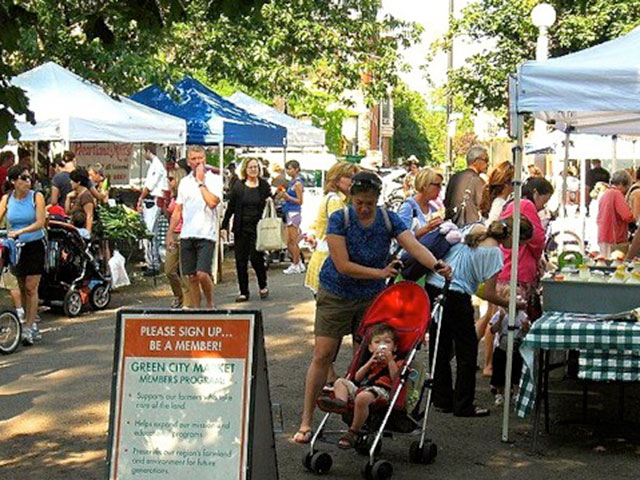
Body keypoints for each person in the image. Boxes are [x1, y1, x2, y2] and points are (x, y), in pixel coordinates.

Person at [293, 171, 451, 443]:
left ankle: (359, 420)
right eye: (359, 202)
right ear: (351, 198)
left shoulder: (388, 218)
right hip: (336, 291)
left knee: (364, 359)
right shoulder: (339, 219)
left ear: (377, 199)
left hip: (371, 298)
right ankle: (306, 421)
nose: (364, 208)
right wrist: (381, 274)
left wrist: (436, 264)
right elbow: (342, 264)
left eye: (369, 202)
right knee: (323, 354)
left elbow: (413, 245)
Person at [425, 216, 532, 417]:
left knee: (440, 344)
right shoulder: (494, 253)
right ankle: (463, 404)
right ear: (513, 237)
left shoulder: (475, 229)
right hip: (456, 294)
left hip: (434, 284)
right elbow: (488, 294)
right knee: (467, 351)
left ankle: (441, 398)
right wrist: (514, 304)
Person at [317, 324, 403, 449]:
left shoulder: (397, 362)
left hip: (382, 391)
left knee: (362, 398)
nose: (382, 345)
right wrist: (369, 363)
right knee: (339, 382)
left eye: (387, 342)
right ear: (370, 347)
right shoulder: (371, 361)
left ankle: (353, 432)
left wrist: (390, 361)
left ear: (395, 347)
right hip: (362, 388)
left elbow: (397, 379)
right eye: (377, 342)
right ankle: (341, 402)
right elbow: (357, 378)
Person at [167, 146, 223, 308]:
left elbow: (213, 202)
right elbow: (178, 210)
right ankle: (196, 309)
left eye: (200, 158)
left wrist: (200, 182)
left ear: (205, 159)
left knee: (202, 274)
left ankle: (210, 303)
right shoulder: (184, 182)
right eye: (194, 159)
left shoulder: (213, 179)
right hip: (187, 233)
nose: (198, 162)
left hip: (206, 233)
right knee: (190, 276)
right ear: (189, 161)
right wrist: (170, 233)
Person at [0, 165, 46, 345]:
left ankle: (29, 326)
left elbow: (40, 222)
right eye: (23, 178)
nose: (28, 182)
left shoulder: (37, 197)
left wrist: (21, 232)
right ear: (13, 181)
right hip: (15, 246)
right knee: (19, 284)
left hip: (34, 244)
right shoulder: (7, 198)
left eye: (29, 178)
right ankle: (29, 318)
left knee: (30, 287)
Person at [476, 161, 514, 376]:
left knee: (488, 314)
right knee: (492, 315)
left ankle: (471, 352)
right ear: (507, 184)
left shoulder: (496, 201)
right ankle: (488, 362)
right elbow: (492, 229)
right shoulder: (501, 203)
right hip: (494, 260)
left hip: (491, 259)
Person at [497, 177, 553, 320]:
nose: (542, 207)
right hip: (517, 270)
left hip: (505, 268)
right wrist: (538, 256)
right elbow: (538, 238)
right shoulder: (526, 205)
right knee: (513, 318)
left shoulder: (512, 203)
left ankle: (491, 343)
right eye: (544, 201)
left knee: (498, 317)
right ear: (535, 193)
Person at [221, 158, 272, 302]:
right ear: (245, 169)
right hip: (241, 227)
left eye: (256, 167)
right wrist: (224, 226)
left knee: (256, 258)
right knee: (240, 260)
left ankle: (263, 285)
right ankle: (244, 291)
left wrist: (270, 200)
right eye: (251, 167)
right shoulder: (239, 186)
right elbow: (231, 207)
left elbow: (270, 200)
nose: (254, 170)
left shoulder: (263, 185)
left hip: (258, 227)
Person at [304, 161, 360, 295]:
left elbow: (317, 222)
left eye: (355, 178)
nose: (353, 182)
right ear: (336, 179)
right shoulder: (335, 200)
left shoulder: (337, 199)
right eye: (349, 178)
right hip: (329, 260)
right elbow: (343, 229)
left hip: (324, 257)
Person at [136, 144, 168, 276]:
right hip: (152, 200)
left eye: (143, 151)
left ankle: (153, 263)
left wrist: (140, 197)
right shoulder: (154, 165)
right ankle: (151, 261)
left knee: (149, 233)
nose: (143, 154)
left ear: (147, 151)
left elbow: (150, 186)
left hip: (154, 201)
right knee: (151, 234)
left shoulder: (156, 166)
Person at [489, 307, 530, 406]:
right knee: (499, 371)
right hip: (502, 347)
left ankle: (516, 394)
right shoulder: (500, 314)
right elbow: (492, 330)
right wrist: (500, 319)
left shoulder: (522, 315)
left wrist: (525, 327)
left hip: (516, 348)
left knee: (516, 371)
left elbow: (526, 332)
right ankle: (500, 394)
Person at [163, 166, 191, 309]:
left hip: (186, 232)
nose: (169, 182)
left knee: (185, 269)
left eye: (171, 179)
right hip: (174, 233)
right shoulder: (172, 196)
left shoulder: (186, 195)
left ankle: (187, 299)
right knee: (169, 269)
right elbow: (169, 214)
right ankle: (179, 294)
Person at [444, 145, 488, 226]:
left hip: (453, 226)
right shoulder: (478, 181)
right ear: (475, 161)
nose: (487, 164)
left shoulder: (454, 177)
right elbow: (483, 206)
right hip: (471, 227)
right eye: (486, 160)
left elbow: (446, 202)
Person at [397, 167, 444, 239]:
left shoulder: (433, 208)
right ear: (425, 185)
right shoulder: (408, 207)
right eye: (437, 185)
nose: (440, 189)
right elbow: (401, 237)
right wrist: (427, 228)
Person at [597, 170, 634, 258]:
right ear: (621, 184)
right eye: (627, 186)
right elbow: (627, 216)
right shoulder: (617, 194)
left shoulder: (605, 194)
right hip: (614, 237)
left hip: (603, 235)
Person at [279, 160, 304, 274]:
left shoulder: (298, 184)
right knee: (288, 241)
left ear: (296, 169)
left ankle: (296, 264)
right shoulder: (291, 183)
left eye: (290, 168)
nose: (288, 171)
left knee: (292, 241)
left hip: (294, 213)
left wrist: (288, 197)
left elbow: (300, 201)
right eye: (287, 169)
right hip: (289, 211)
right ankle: (297, 262)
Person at [64, 168, 95, 233]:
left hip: (81, 231)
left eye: (72, 181)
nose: (70, 182)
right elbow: (67, 212)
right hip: (74, 230)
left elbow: (89, 215)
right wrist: (68, 198)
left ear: (78, 182)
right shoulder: (75, 194)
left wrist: (87, 233)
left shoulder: (86, 196)